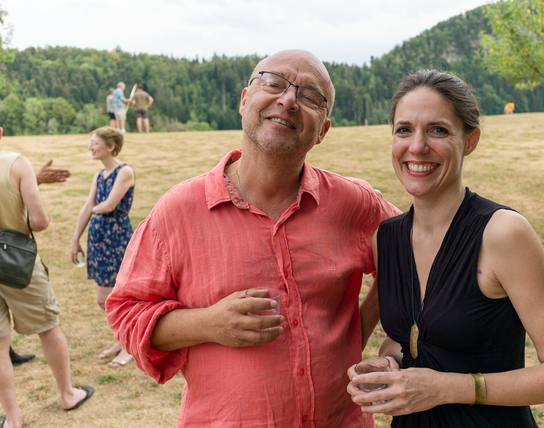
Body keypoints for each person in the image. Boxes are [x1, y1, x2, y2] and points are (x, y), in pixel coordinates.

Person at [105, 49, 400, 427]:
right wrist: (209, 323)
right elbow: (127, 313)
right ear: (244, 100)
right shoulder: (178, 211)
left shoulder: (353, 202)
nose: (288, 100)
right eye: (273, 83)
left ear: (323, 131)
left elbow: (416, 252)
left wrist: (360, 331)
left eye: (311, 97)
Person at [347, 69, 544, 427]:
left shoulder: (502, 234)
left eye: (438, 130)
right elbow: (408, 341)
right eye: (404, 130)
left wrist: (446, 387)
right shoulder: (387, 239)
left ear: (470, 141)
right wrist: (389, 363)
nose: (417, 146)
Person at [0, 128, 92, 428]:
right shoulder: (17, 163)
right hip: (17, 265)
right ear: (0, 133)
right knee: (49, 327)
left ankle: (12, 416)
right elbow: (40, 221)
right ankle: (67, 394)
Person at [70, 126, 134, 369]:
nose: (90, 147)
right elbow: (89, 208)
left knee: (119, 296)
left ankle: (129, 346)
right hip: (98, 240)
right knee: (103, 299)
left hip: (116, 239)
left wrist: (93, 209)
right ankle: (122, 339)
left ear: (110, 146)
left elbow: (108, 205)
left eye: (94, 143)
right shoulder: (99, 176)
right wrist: (75, 240)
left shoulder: (124, 171)